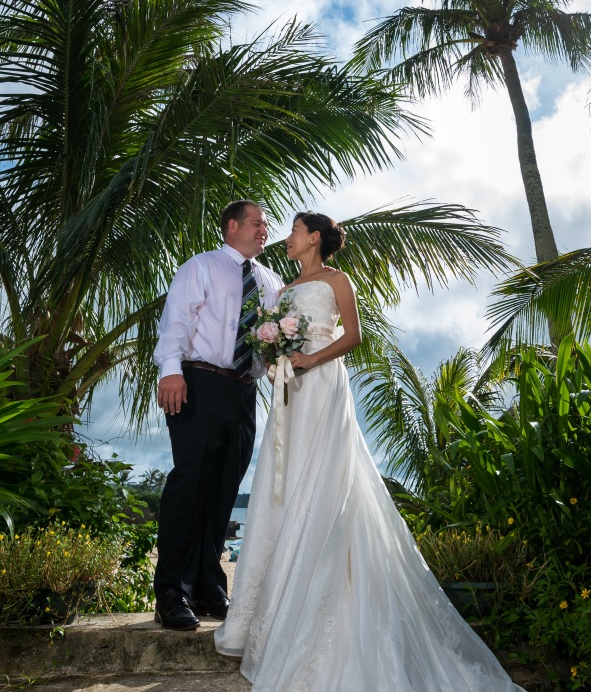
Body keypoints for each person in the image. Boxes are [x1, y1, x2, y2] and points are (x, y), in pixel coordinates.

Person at [214, 211, 524, 692]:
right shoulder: (283, 287)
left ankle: (318, 595)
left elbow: (353, 336)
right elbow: (272, 340)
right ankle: (270, 610)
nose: (287, 238)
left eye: (295, 231)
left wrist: (310, 359)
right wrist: (277, 362)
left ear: (313, 238)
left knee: (323, 481)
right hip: (289, 395)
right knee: (284, 484)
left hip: (322, 387)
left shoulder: (338, 280)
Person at [153, 199, 283, 630]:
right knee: (190, 483)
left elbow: (269, 341)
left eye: (266, 225)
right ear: (232, 226)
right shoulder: (202, 266)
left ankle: (210, 590)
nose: (264, 230)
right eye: (257, 223)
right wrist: (171, 372)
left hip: (244, 393)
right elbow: (176, 321)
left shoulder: (270, 280)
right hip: (199, 382)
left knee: (225, 488)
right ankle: (172, 592)